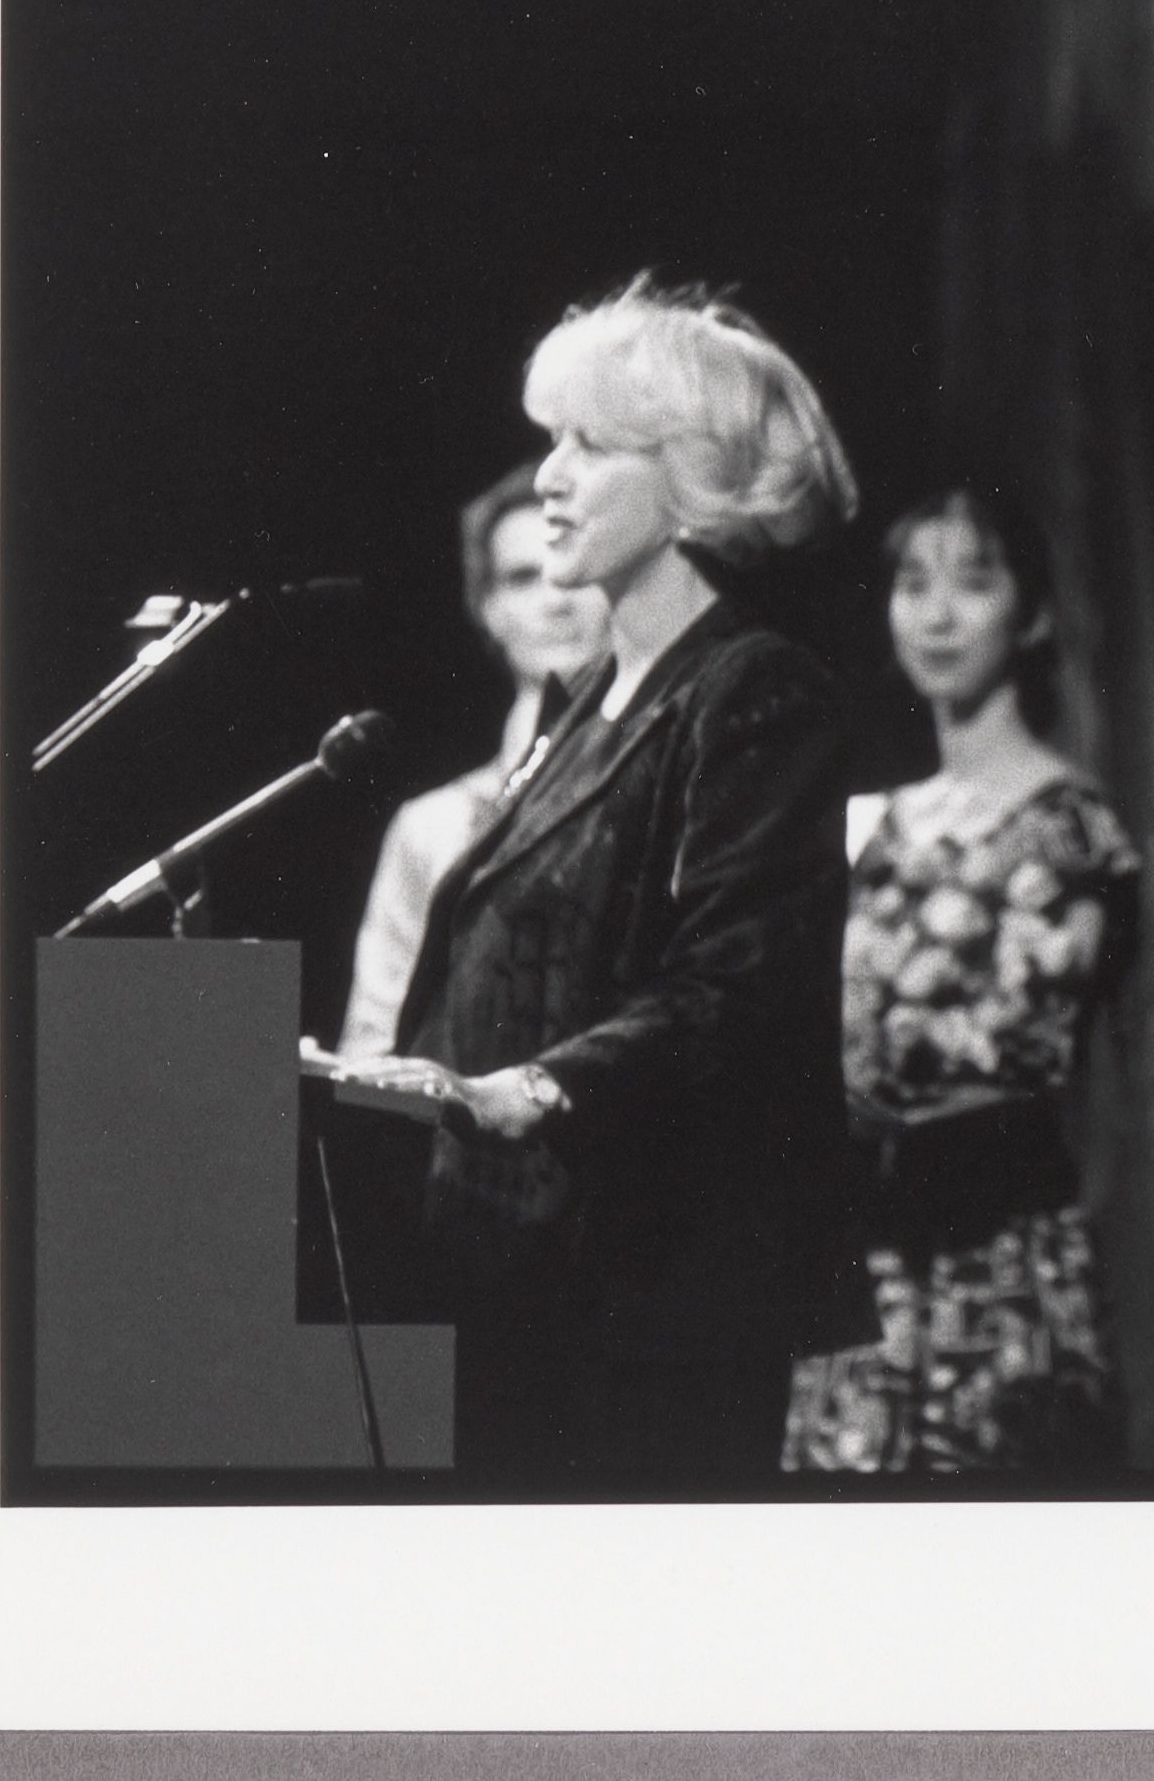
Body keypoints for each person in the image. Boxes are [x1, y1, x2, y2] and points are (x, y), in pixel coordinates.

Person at [344, 274, 869, 1494]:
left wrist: (534, 1087)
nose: (550, 477)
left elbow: (738, 982)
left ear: (687, 478)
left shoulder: (751, 689)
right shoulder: (586, 708)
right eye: (550, 443)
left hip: (653, 1291)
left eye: (591, 444)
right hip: (517, 1274)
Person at [782, 486, 1139, 1472]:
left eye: (972, 583)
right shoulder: (876, 823)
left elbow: (1020, 1046)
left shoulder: (1069, 825)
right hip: (868, 1266)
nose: (936, 615)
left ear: (1030, 615)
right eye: (912, 583)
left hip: (998, 1261)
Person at [329, 460, 608, 1064]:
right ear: (488, 609)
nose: (555, 600)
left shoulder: (682, 773)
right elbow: (374, 1043)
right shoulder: (430, 827)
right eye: (524, 577)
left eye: (571, 571)